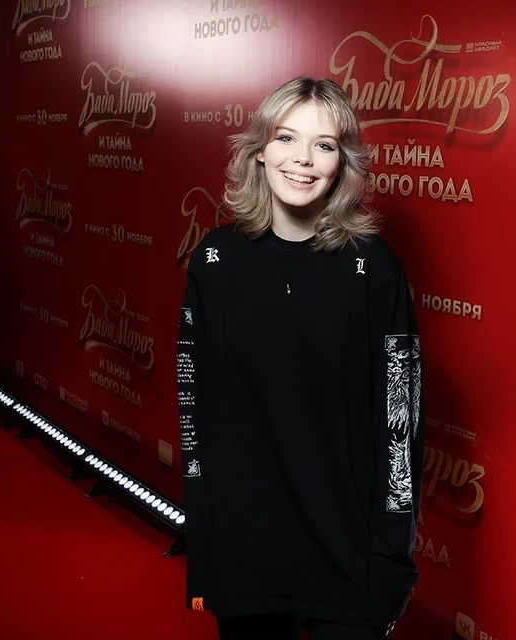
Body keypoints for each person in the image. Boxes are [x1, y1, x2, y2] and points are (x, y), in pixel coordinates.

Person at [176, 77, 425, 640]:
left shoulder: (375, 268)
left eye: (324, 144)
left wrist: (393, 555)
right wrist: (207, 543)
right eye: (286, 137)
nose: (303, 159)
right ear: (259, 150)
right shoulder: (214, 261)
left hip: (349, 554)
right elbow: (196, 415)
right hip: (246, 551)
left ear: (342, 164)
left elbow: (401, 423)